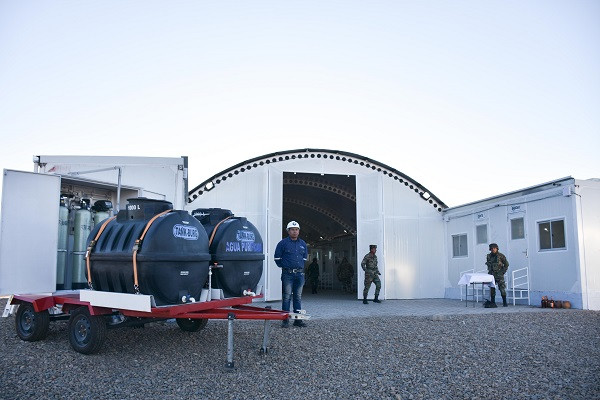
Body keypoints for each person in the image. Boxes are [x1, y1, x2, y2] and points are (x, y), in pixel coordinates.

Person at [274, 221, 308, 327]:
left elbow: (304, 258)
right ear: (288, 231)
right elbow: (277, 258)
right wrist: (285, 267)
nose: (295, 231)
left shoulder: (302, 244)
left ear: (299, 231)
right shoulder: (282, 243)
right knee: (287, 297)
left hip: (299, 274)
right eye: (292, 230)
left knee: (298, 297)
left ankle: (297, 320)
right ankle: (285, 320)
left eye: (296, 229)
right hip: (287, 274)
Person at [485, 243, 509, 307]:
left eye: (494, 248)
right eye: (492, 248)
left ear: (497, 248)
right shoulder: (489, 256)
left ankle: (504, 302)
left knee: (502, 288)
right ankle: (493, 302)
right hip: (491, 275)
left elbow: (506, 264)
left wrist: (503, 271)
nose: (493, 249)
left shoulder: (501, 256)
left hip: (499, 274)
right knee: (492, 289)